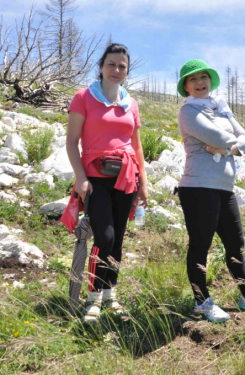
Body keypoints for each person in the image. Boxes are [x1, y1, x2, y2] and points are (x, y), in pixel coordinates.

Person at [176, 59, 245, 322]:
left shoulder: (220, 107)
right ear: (185, 86)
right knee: (201, 245)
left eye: (204, 77)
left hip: (224, 188)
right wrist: (232, 144)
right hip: (198, 188)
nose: (200, 83)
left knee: (235, 243)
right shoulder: (188, 111)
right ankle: (201, 301)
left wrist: (228, 149)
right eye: (193, 79)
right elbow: (221, 138)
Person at [63, 43, 147, 322]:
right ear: (100, 67)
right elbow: (72, 141)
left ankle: (111, 296)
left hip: (126, 178)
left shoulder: (130, 103)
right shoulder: (84, 97)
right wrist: (80, 177)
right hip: (95, 179)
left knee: (119, 239)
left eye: (122, 66)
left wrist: (143, 184)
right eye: (111, 64)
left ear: (126, 71)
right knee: (105, 236)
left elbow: (137, 147)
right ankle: (93, 298)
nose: (116, 70)